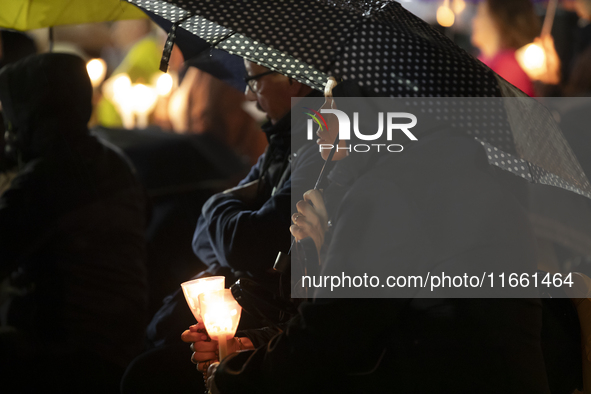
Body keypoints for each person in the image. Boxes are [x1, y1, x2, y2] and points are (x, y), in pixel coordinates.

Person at [184, 81, 575, 393]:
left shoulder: (390, 193)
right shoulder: (450, 166)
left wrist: (231, 376)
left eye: (334, 100)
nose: (319, 115)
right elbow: (369, 321)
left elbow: (330, 340)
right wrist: (257, 346)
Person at [121, 60, 325, 394]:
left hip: (267, 317)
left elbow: (250, 244)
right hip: (264, 319)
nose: (248, 95)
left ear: (294, 83)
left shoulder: (316, 150)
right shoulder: (284, 144)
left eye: (255, 81)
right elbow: (206, 236)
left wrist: (246, 346)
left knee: (149, 372)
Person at [0, 53, 149, 393]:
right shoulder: (113, 160)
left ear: (30, 113)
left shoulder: (47, 180)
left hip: (69, 352)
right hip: (123, 343)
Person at [472, 0, 540, 96]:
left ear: (498, 20)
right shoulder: (484, 61)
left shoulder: (509, 70)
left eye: (481, 14)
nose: (474, 21)